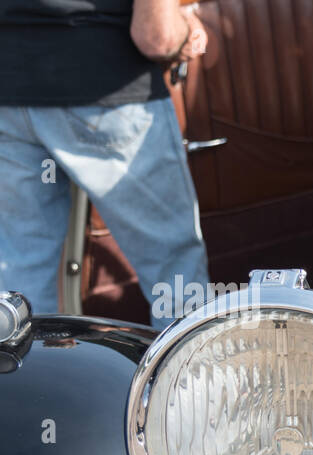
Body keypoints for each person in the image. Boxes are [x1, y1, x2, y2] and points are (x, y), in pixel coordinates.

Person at [0, 0, 209, 325]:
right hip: (106, 90)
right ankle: (186, 375)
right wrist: (186, 30)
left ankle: (24, 375)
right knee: (176, 279)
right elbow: (157, 37)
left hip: (8, 96)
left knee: (19, 284)